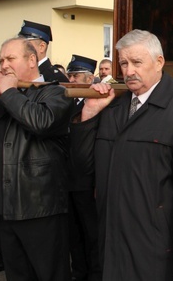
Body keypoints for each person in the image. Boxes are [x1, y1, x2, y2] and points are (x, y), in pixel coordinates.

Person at [74, 29, 173, 281]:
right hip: (111, 249)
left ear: (159, 62)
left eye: (137, 62)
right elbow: (83, 171)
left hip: (156, 255)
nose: (128, 72)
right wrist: (89, 115)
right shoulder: (112, 109)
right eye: (124, 63)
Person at [0, 37, 73, 281]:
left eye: (10, 58)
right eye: (1, 60)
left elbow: (41, 122)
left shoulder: (56, 91)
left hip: (39, 207)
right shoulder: (1, 96)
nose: (3, 65)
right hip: (4, 206)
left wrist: (9, 91)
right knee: (17, 274)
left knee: (49, 274)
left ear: (32, 60)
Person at [65, 54, 99, 281]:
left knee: (92, 233)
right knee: (73, 233)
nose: (69, 79)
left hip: (88, 181)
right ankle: (79, 272)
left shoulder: (98, 103)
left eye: (74, 75)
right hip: (67, 178)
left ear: (88, 80)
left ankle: (95, 273)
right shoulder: (66, 100)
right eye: (69, 75)